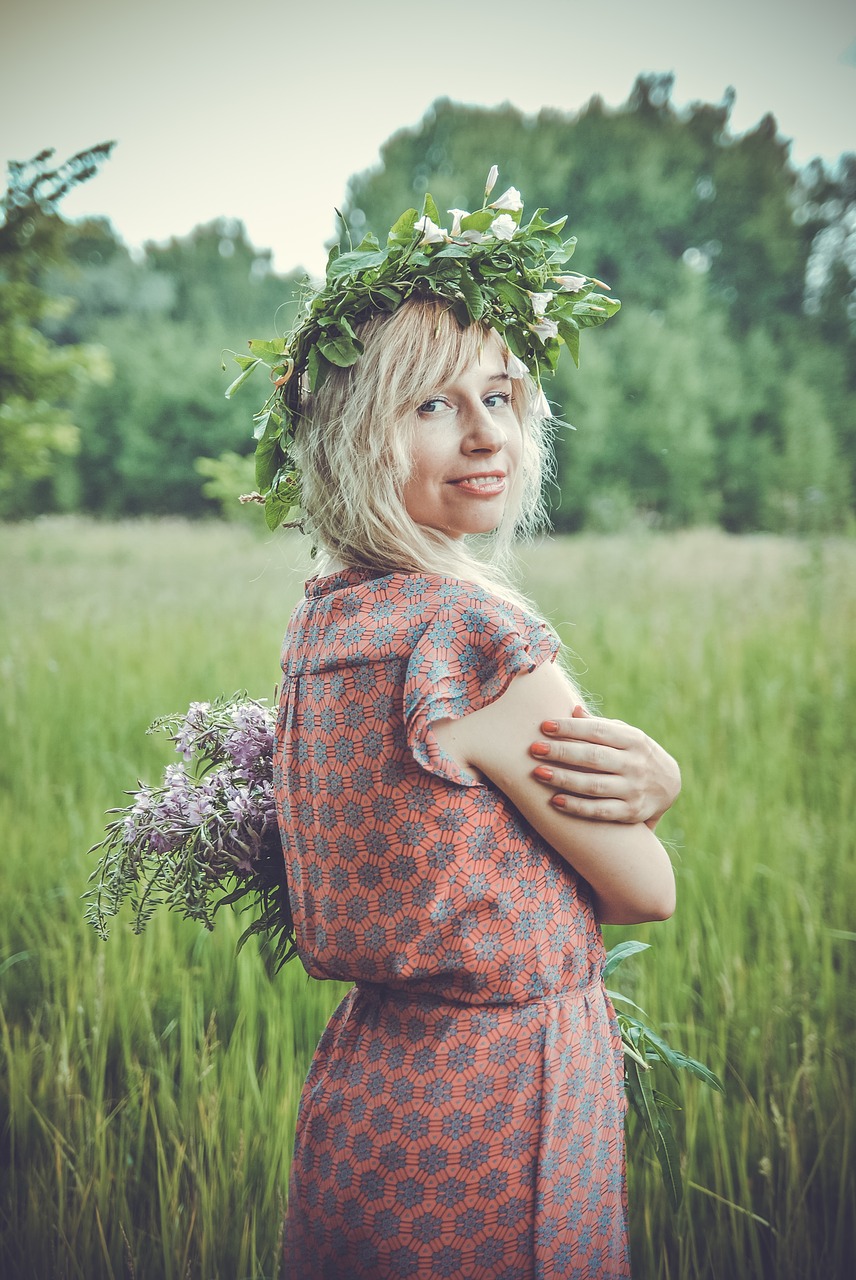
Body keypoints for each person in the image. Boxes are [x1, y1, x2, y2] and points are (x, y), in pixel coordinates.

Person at [267, 177, 679, 1279]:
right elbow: (645, 886)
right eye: (431, 405)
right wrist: (662, 790)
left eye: (499, 394)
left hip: (368, 1090)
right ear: (359, 433)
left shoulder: (327, 622)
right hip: (500, 1100)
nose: (484, 432)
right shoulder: (470, 634)